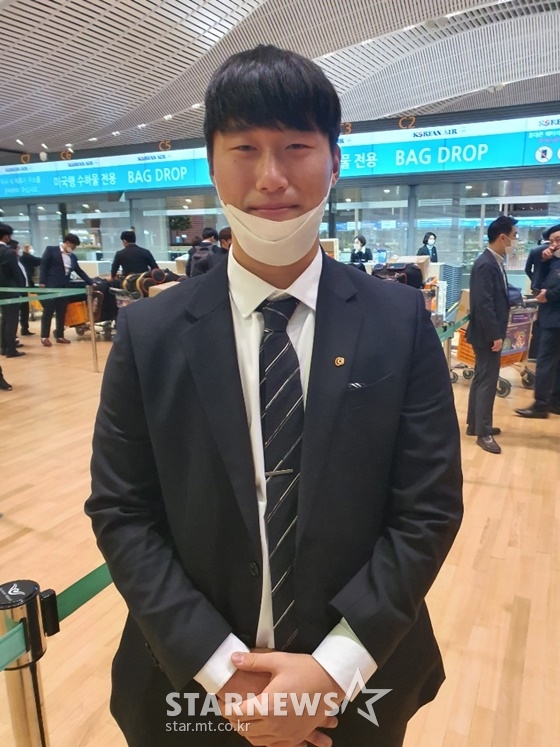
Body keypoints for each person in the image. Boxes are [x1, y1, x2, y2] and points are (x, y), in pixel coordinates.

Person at [86, 45, 463, 747]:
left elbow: (428, 508)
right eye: (244, 148)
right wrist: (223, 674)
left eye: (296, 146)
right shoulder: (150, 332)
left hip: (358, 687)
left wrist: (331, 671)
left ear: (335, 161)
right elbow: (123, 511)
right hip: (190, 691)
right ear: (211, 163)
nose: (271, 176)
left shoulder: (399, 321)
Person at [466, 215, 517, 454]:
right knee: (487, 381)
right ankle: (483, 433)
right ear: (502, 237)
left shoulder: (495, 261)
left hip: (487, 332)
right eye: (514, 236)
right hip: (486, 335)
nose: (516, 241)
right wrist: (495, 335)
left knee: (481, 378)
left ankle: (475, 424)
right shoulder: (486, 264)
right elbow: (483, 303)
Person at [516, 223, 560, 418]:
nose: (554, 245)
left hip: (555, 319)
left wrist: (548, 295)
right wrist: (543, 262)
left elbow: (552, 291)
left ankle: (541, 404)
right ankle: (554, 402)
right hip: (550, 317)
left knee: (545, 361)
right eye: (551, 241)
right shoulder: (553, 261)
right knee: (553, 362)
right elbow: (538, 282)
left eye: (558, 240)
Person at [39, 233, 94, 347]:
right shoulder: (51, 250)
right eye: (73, 246)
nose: (73, 249)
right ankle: (44, 337)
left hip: (64, 287)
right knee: (48, 311)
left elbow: (79, 270)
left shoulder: (72, 257)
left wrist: (90, 282)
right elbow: (43, 266)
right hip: (50, 286)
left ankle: (60, 335)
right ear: (67, 242)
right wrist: (42, 282)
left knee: (62, 311)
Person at [0, 224, 27, 358]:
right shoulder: (8, 252)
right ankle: (11, 349)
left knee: (4, 319)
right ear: (6, 236)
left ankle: (3, 347)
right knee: (11, 320)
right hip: (10, 291)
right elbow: (16, 272)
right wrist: (22, 289)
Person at [19, 243, 41, 335]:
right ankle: (24, 329)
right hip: (24, 285)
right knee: (24, 307)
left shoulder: (21, 258)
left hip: (23, 285)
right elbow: (40, 260)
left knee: (24, 307)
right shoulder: (27, 258)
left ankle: (24, 328)